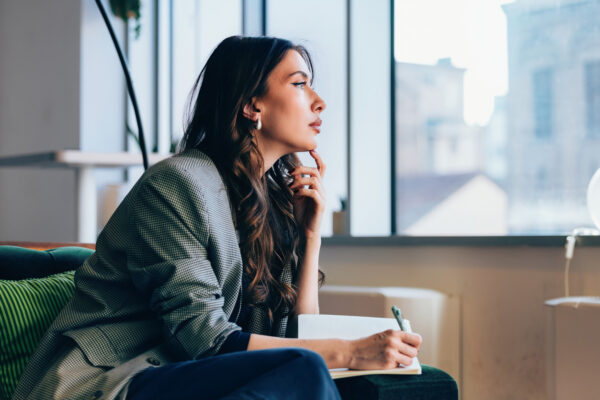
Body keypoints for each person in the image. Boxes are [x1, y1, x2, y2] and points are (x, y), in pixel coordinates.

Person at [12, 36, 422, 400]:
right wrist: (350, 350)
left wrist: (309, 236)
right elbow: (207, 341)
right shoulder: (175, 185)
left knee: (302, 369)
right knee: (303, 370)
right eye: (299, 83)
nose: (319, 101)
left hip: (189, 376)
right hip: (112, 381)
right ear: (250, 104)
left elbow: (294, 338)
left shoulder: (274, 203)